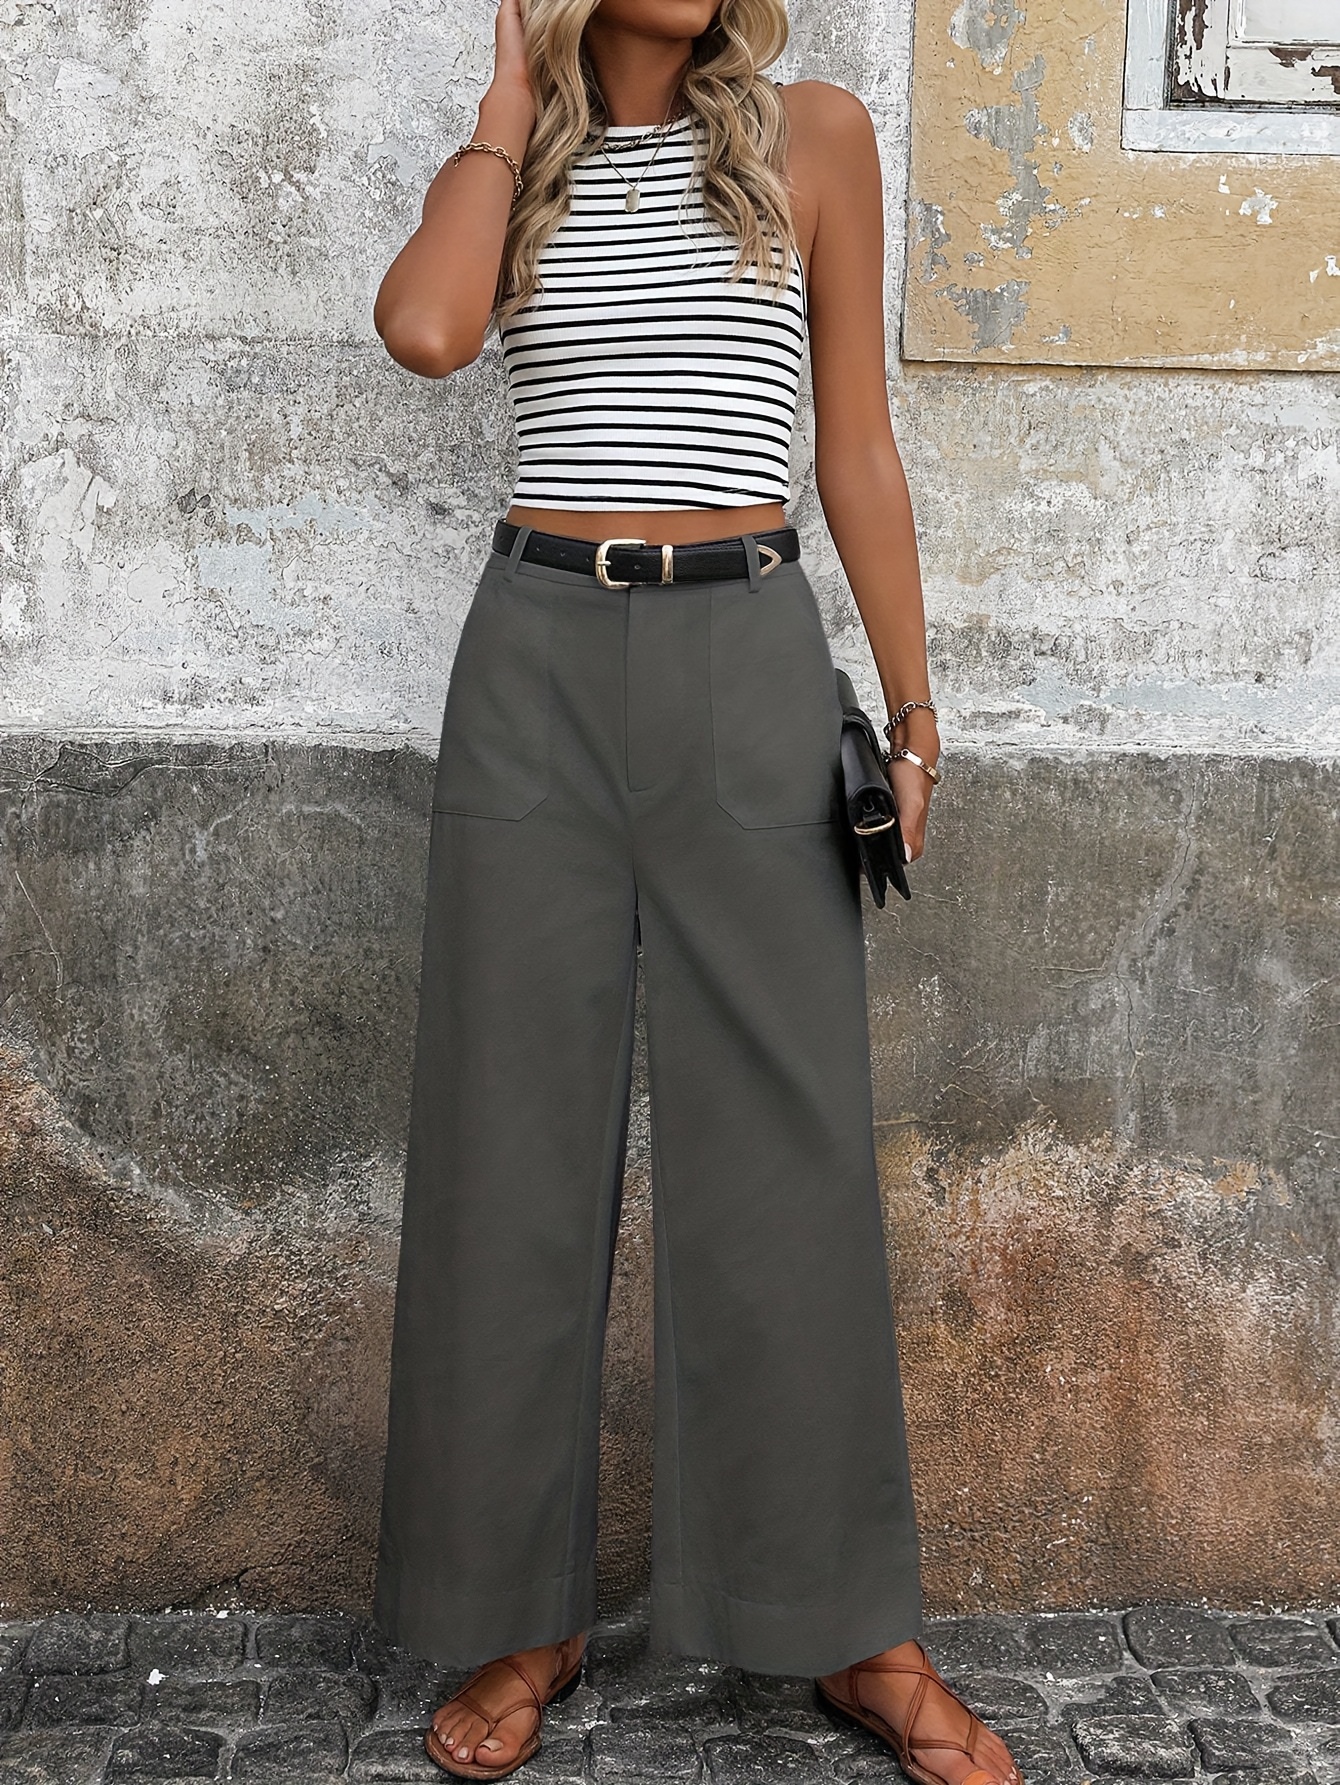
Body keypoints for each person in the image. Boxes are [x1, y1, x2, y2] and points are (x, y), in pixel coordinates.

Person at [369, 2, 1025, 1782]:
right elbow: (426, 330)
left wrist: (913, 706)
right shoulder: (518, 161)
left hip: (747, 653)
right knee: (510, 1143)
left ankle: (852, 1628)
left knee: (789, 1152)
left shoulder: (814, 136)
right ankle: (522, 1611)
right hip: (535, 663)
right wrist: (505, 106)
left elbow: (855, 444)